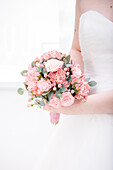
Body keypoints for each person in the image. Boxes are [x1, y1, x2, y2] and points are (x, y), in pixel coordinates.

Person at [33, 0, 113, 169]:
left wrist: (72, 107)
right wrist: (64, 83)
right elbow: (77, 49)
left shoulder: (76, 107)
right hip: (81, 118)